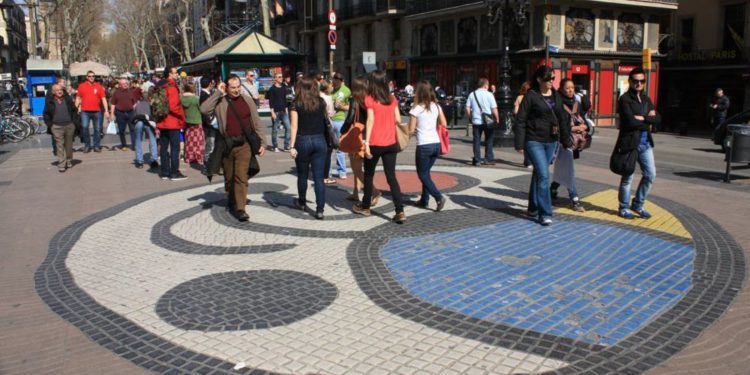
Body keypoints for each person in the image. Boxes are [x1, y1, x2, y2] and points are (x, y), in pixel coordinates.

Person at [200, 75, 267, 222]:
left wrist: (263, 142)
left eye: (238, 87)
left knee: (240, 176)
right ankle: (231, 198)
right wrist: (218, 93)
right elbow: (204, 109)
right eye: (233, 87)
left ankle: (241, 208)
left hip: (245, 144)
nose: (236, 90)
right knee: (229, 177)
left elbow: (256, 121)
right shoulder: (220, 101)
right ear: (226, 87)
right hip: (227, 145)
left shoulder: (247, 100)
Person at [514, 65, 571, 226]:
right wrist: (519, 143)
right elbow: (521, 120)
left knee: (539, 175)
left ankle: (532, 207)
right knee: (544, 176)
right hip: (534, 141)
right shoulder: (531, 96)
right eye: (548, 79)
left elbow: (562, 118)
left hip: (551, 141)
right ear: (539, 79)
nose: (551, 81)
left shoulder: (556, 96)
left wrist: (566, 139)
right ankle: (545, 212)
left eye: (553, 78)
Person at [352, 70, 406, 224]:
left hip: (375, 143)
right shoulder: (392, 98)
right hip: (390, 143)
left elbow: (370, 121)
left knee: (369, 175)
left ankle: (366, 206)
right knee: (391, 177)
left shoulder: (370, 99)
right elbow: (398, 119)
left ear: (372, 83)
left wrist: (366, 143)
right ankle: (400, 211)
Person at [616, 67, 660, 219]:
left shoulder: (647, 99)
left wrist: (643, 118)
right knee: (628, 177)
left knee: (650, 175)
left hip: (645, 143)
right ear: (630, 81)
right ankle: (623, 207)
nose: (639, 84)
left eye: (642, 81)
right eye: (635, 81)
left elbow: (658, 118)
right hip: (630, 143)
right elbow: (629, 121)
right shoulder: (624, 99)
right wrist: (647, 119)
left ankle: (638, 204)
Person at [289, 77, 329, 220]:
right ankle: (320, 209)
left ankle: (302, 202)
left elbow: (294, 126)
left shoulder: (296, 104)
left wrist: (291, 145)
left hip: (302, 140)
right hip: (319, 140)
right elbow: (326, 118)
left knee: (303, 175)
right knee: (319, 178)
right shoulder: (321, 102)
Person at [408, 80, 448, 211]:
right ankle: (424, 200)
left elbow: (410, 130)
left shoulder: (416, 108)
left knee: (422, 174)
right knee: (426, 173)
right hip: (436, 144)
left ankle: (438, 197)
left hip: (424, 145)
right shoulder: (436, 106)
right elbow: (444, 123)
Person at [340, 77, 381, 204]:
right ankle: (356, 192)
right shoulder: (372, 98)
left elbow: (350, 118)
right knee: (361, 167)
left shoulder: (355, 99)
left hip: (357, 135)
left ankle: (375, 191)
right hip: (369, 135)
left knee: (356, 168)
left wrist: (342, 131)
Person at [550, 78, 587, 213]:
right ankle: (575, 199)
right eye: (567, 88)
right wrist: (572, 129)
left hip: (574, 141)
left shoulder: (576, 103)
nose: (571, 90)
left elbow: (583, 118)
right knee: (569, 170)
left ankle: (552, 189)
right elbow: (556, 125)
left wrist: (584, 126)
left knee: (562, 169)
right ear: (561, 89)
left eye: (572, 88)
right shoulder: (557, 104)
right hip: (562, 142)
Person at [156, 66, 187, 181]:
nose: (177, 75)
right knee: (175, 147)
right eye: (175, 73)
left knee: (164, 147)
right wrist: (182, 116)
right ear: (170, 74)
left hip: (162, 120)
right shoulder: (171, 86)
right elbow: (173, 106)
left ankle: (164, 172)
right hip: (173, 121)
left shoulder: (159, 85)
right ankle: (174, 172)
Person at [43, 84, 80, 172]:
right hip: (56, 127)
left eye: (61, 90)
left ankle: (68, 160)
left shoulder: (68, 100)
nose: (59, 91)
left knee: (68, 145)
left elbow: (74, 111)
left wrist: (74, 123)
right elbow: (46, 114)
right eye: (57, 90)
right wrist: (50, 125)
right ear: (53, 92)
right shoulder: (49, 102)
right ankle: (61, 164)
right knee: (59, 145)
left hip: (69, 125)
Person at [466, 78, 499, 166]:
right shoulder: (489, 95)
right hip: (488, 121)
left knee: (476, 140)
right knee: (489, 139)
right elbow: (494, 108)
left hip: (476, 121)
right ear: (485, 85)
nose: (488, 87)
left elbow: (467, 108)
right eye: (487, 85)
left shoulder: (472, 94)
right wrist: (497, 118)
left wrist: (470, 117)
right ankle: (488, 158)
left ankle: (477, 160)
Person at [76, 71, 109, 152]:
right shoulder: (81, 86)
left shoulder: (98, 86)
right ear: (87, 77)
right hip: (85, 111)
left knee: (97, 129)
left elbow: (103, 99)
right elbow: (78, 98)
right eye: (90, 76)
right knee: (84, 127)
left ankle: (96, 146)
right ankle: (87, 145)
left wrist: (106, 110)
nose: (91, 77)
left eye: (93, 76)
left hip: (97, 111)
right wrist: (76, 108)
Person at [109, 78, 139, 151]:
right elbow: (113, 104)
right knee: (121, 130)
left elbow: (136, 102)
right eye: (123, 83)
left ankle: (134, 145)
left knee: (132, 129)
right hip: (120, 113)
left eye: (126, 83)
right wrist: (112, 114)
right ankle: (124, 145)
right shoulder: (116, 93)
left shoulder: (131, 91)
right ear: (120, 85)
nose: (125, 84)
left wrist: (133, 107)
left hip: (130, 113)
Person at [132, 89, 159, 169]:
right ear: (149, 98)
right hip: (148, 122)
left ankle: (139, 161)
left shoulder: (137, 105)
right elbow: (153, 116)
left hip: (139, 122)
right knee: (152, 140)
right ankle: (154, 160)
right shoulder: (150, 105)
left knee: (138, 141)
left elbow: (135, 114)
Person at [331, 73, 351, 180]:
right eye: (334, 80)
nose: (335, 82)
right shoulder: (330, 89)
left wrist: (341, 106)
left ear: (341, 81)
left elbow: (350, 107)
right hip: (329, 120)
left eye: (338, 80)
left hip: (339, 120)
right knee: (329, 148)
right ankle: (328, 172)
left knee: (340, 147)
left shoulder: (346, 90)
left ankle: (342, 171)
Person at [181, 83, 205, 166]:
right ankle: (198, 157)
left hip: (187, 121)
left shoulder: (181, 98)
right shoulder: (195, 99)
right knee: (198, 141)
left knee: (189, 140)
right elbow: (202, 109)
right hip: (197, 120)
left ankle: (188, 157)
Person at [319, 80, 337, 184]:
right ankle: (326, 176)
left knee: (320, 151)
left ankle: (320, 173)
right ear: (327, 88)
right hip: (327, 124)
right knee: (329, 150)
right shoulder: (328, 98)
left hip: (317, 125)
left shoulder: (317, 96)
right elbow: (331, 113)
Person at [266, 73, 290, 152]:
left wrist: (286, 110)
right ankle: (275, 146)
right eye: (279, 77)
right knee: (275, 129)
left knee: (288, 128)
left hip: (284, 111)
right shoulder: (272, 89)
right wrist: (272, 112)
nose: (281, 78)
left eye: (282, 76)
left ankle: (286, 146)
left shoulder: (283, 88)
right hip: (276, 112)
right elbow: (271, 101)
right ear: (275, 78)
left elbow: (284, 100)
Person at [515, 81, 532, 168]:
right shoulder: (533, 97)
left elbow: (516, 111)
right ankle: (528, 161)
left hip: (522, 121)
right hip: (531, 122)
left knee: (525, 141)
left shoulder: (519, 97)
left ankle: (527, 161)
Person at [200, 76, 216, 166]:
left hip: (209, 123)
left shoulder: (205, 94)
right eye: (213, 83)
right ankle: (207, 164)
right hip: (209, 124)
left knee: (211, 144)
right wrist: (210, 122)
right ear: (210, 84)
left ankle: (211, 163)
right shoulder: (204, 95)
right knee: (210, 144)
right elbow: (205, 111)